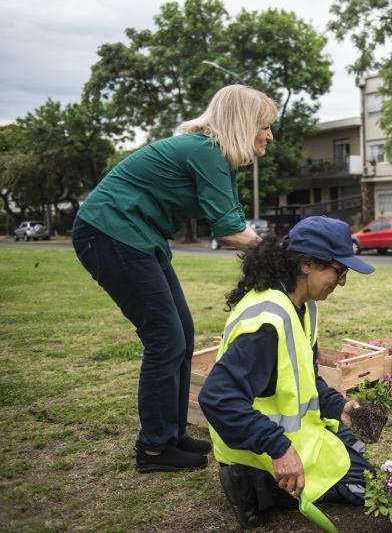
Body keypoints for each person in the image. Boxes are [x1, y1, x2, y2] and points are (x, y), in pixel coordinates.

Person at [72, 84, 276, 473]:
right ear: (244, 123)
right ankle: (153, 450)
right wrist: (283, 257)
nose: (269, 135)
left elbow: (232, 221)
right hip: (110, 231)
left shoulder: (217, 159)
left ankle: (172, 433)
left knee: (182, 331)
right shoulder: (206, 152)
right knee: (165, 337)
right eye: (264, 126)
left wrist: (266, 246)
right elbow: (232, 233)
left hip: (139, 236)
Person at [198, 216, 376, 530]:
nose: (342, 281)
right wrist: (279, 449)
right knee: (368, 484)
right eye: (339, 271)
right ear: (307, 264)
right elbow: (216, 398)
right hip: (256, 444)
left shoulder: (301, 305)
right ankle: (253, 484)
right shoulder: (268, 320)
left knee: (355, 448)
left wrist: (339, 407)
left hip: (284, 434)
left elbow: (302, 377)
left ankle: (260, 480)